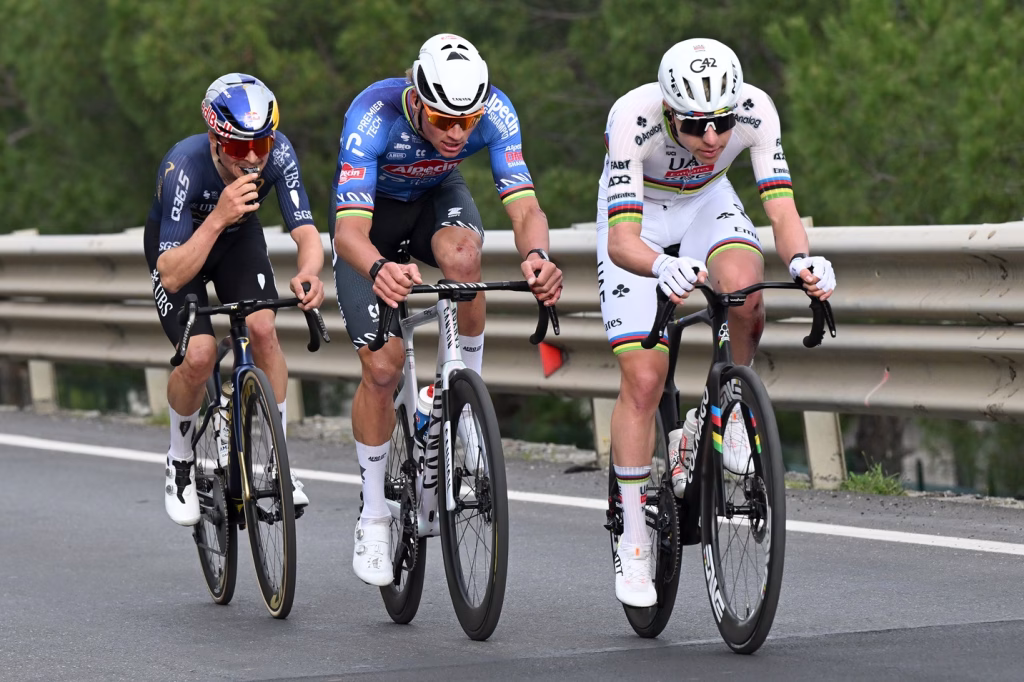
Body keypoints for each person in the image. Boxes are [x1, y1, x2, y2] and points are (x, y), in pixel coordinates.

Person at [597, 38, 836, 607]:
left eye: (722, 123)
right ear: (669, 111)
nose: (712, 138)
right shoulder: (633, 117)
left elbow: (780, 209)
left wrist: (803, 261)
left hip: (708, 203)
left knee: (747, 295)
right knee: (645, 379)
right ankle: (633, 537)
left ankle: (727, 411)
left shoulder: (756, 110)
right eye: (696, 126)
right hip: (641, 224)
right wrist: (662, 266)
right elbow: (622, 240)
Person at [331, 33, 563, 586]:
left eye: (468, 121)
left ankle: (466, 411)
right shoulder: (374, 115)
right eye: (443, 120)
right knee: (383, 370)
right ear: (417, 97)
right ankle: (373, 512)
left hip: (436, 199)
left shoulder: (494, 111)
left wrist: (537, 255)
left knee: (464, 257)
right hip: (374, 221)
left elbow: (525, 204)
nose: (457, 133)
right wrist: (379, 268)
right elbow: (347, 234)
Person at [145, 73, 326, 526]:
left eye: (260, 145)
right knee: (201, 354)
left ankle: (277, 463)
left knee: (263, 329)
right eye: (238, 147)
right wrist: (220, 215)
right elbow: (171, 276)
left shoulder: (278, 152)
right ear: (214, 140)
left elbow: (306, 231)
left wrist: (308, 272)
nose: (251, 158)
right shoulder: (181, 166)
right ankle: (180, 459)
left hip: (237, 240)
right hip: (183, 248)